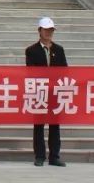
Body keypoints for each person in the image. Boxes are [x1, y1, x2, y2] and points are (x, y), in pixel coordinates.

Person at [26, 16, 67, 167]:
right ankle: (39, 156)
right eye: (46, 30)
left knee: (55, 126)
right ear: (39, 31)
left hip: (56, 93)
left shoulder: (59, 50)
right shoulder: (31, 50)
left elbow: (65, 71)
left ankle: (54, 156)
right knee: (39, 125)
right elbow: (31, 71)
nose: (49, 33)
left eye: (51, 30)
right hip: (39, 93)